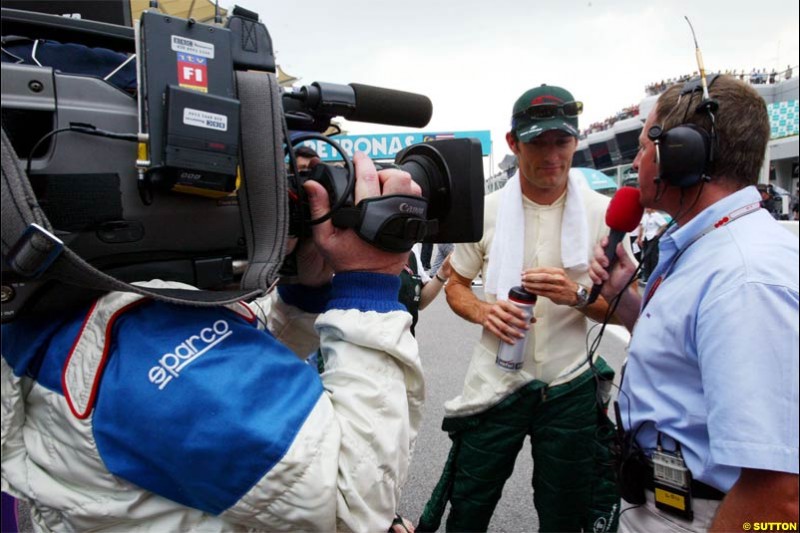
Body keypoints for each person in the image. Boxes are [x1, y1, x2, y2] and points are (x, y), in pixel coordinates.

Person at [1, 152, 427, 532]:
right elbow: (353, 503)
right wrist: (370, 285)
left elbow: (240, 363)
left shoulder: (81, 301)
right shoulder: (137, 349)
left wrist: (307, 290)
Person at [589, 74, 799, 532]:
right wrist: (628, 302)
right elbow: (688, 363)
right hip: (662, 504)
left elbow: (780, 500)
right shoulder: (712, 247)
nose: (639, 159)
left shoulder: (745, 280)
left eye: (645, 145)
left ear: (679, 154)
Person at [418, 85, 624, 533]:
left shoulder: (603, 214)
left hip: (569, 385)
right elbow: (455, 285)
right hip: (496, 383)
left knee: (566, 512)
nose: (551, 155)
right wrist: (482, 312)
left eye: (562, 141)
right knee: (468, 504)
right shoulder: (486, 211)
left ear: (576, 140)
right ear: (513, 143)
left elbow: (623, 311)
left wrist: (578, 295)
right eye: (538, 142)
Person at [399, 243, 452, 336]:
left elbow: (420, 302)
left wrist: (443, 273)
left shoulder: (411, 248)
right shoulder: (366, 244)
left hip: (406, 342)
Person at [636, 207, 670, 282]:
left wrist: (657, 232)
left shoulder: (656, 215)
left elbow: (664, 224)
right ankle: (647, 275)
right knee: (646, 257)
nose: (646, 209)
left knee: (653, 257)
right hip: (646, 237)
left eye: (648, 208)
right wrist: (639, 238)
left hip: (653, 237)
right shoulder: (645, 216)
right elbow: (642, 227)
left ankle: (653, 276)